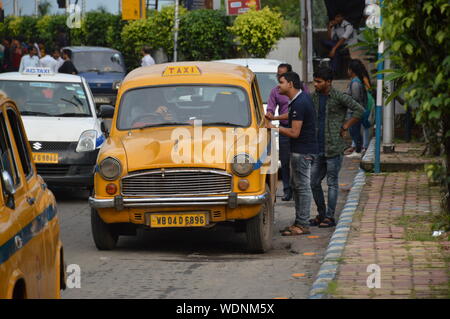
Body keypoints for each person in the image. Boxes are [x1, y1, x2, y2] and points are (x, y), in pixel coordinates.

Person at [309, 67, 365, 228]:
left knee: (332, 183)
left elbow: (359, 110)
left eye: (319, 82)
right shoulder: (313, 98)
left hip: (334, 146)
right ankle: (321, 213)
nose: (316, 84)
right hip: (318, 147)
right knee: (314, 182)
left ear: (328, 82)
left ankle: (329, 217)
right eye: (315, 81)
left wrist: (346, 125)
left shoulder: (339, 97)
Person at [266, 72, 318, 236]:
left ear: (290, 84)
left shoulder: (300, 102)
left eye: (281, 82)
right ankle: (299, 222)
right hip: (301, 150)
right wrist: (275, 118)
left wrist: (273, 127)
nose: (278, 86)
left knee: (302, 187)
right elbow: (292, 116)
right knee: (297, 187)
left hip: (302, 151)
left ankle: (303, 224)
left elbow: (295, 132)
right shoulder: (299, 100)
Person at [266, 63, 293, 201]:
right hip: (283, 130)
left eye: (281, 75)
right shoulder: (275, 91)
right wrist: (270, 114)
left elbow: (295, 113)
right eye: (277, 75)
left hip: (299, 129)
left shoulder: (301, 90)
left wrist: (275, 118)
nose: (278, 78)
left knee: (300, 161)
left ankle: (299, 189)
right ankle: (287, 190)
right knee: (285, 161)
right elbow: (270, 107)